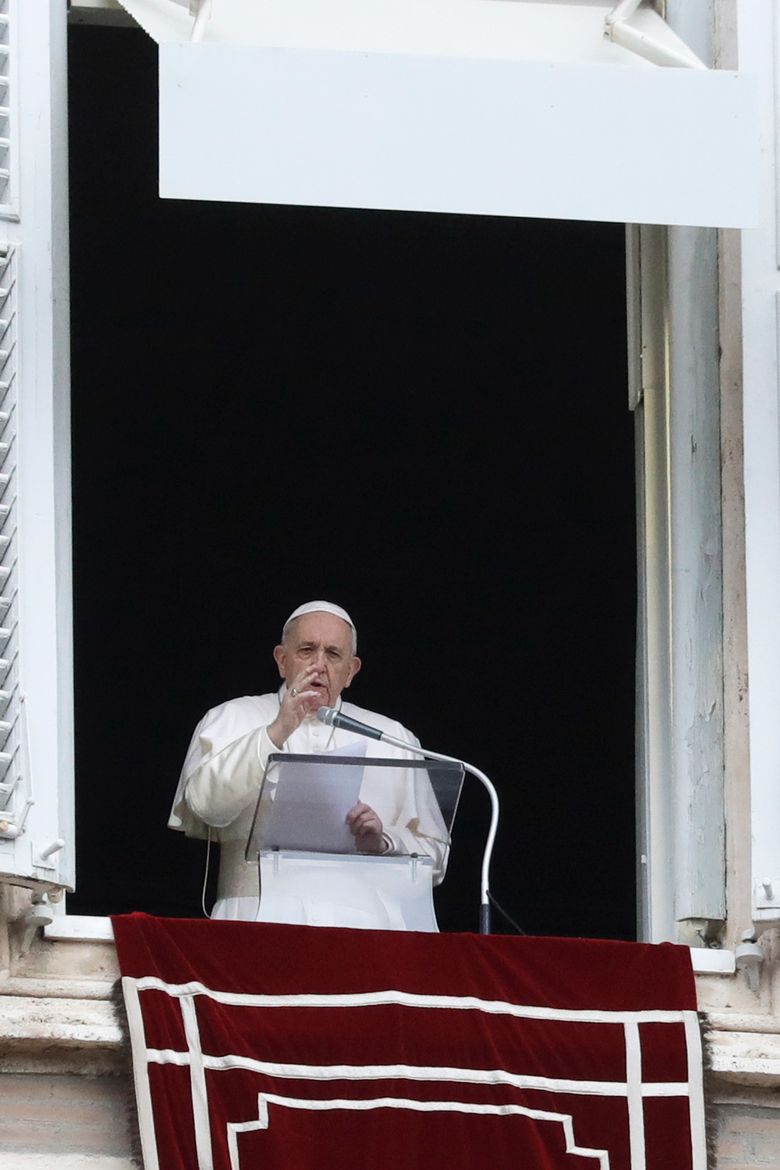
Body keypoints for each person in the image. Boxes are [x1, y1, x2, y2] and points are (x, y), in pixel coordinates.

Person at [169, 600, 450, 922]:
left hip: (364, 925)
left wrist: (383, 841)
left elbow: (436, 859)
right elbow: (207, 805)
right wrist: (277, 731)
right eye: (306, 650)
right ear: (282, 660)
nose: (319, 664)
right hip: (254, 918)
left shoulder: (392, 737)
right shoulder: (231, 716)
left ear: (351, 670)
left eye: (333, 654)